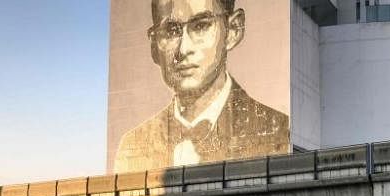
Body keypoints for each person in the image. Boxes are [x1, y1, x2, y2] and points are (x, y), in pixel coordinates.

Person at [113, 0, 290, 173]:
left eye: (200, 26)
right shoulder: (133, 144)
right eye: (170, 31)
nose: (183, 49)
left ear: (233, 30)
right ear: (154, 47)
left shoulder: (280, 132)